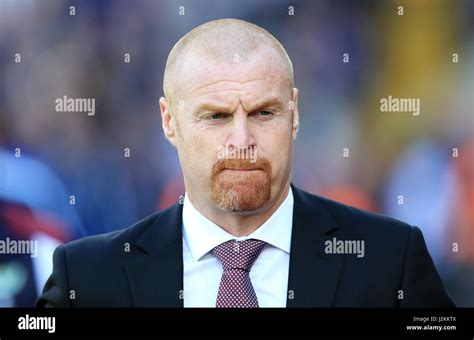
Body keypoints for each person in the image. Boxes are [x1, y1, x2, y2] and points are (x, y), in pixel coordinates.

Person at [36, 18, 454, 308]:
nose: (241, 141)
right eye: (216, 116)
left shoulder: (389, 261)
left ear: (295, 113)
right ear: (170, 121)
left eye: (263, 113)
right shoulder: (88, 277)